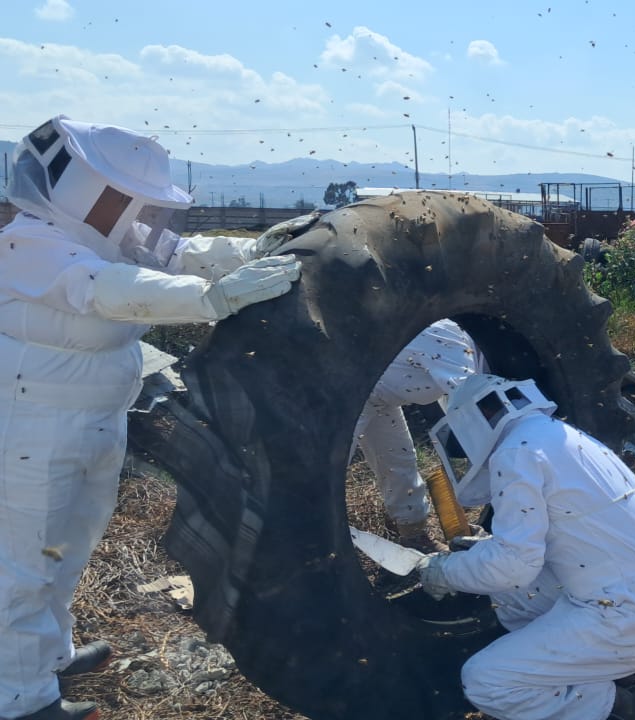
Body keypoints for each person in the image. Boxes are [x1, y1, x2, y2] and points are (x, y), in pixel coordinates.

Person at [0, 116, 302, 720]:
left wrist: (259, 250)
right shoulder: (26, 242)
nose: (139, 214)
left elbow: (181, 252)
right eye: (127, 198)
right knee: (23, 563)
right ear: (83, 189)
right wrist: (208, 299)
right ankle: (20, 698)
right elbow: (105, 288)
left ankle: (47, 656)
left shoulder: (107, 233)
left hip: (96, 418)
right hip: (32, 428)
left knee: (66, 547)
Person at [415, 374, 635, 720]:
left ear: (472, 420)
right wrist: (485, 551)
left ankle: (611, 709)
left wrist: (443, 572)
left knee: (486, 681)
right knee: (513, 596)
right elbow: (547, 540)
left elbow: (513, 565)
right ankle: (569, 678)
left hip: (627, 614)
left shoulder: (515, 452)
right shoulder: (557, 435)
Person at [351, 318, 480, 549]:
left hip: (378, 396)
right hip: (346, 390)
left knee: (399, 462)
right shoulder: (449, 338)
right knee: (323, 472)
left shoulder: (460, 347)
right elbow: (474, 409)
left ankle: (414, 537)